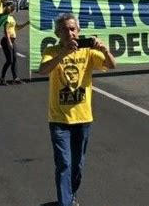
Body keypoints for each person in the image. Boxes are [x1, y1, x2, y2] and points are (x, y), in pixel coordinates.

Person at [38, 13, 116, 206]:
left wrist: (105, 50)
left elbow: (112, 65)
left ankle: (71, 193)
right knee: (64, 163)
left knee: (77, 164)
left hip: (82, 117)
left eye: (72, 29)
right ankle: (65, 202)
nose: (69, 33)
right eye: (64, 29)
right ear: (57, 33)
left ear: (78, 31)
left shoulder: (88, 51)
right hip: (59, 119)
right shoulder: (52, 50)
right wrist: (63, 53)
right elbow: (43, 69)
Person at [0, 2, 29, 85]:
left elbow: (17, 28)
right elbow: (6, 31)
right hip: (6, 41)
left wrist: (27, 23)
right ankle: (2, 78)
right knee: (9, 61)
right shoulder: (6, 18)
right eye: (14, 8)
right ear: (12, 10)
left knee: (14, 60)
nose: (15, 9)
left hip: (12, 41)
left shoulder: (12, 18)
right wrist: (9, 42)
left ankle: (15, 78)